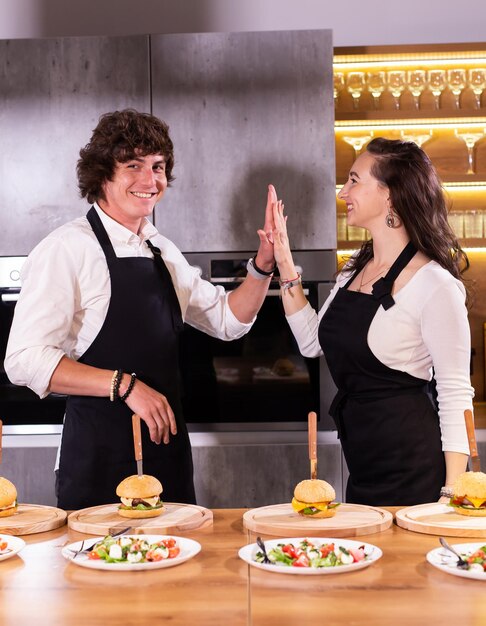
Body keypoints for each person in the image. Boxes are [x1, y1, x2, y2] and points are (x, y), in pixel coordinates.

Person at [5, 109, 280, 510]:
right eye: (133, 166)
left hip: (165, 454)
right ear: (102, 174)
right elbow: (24, 360)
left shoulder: (161, 249)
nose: (150, 181)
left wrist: (264, 264)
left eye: (158, 167)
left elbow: (227, 320)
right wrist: (126, 385)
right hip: (99, 458)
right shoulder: (66, 248)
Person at [271, 137, 474, 506]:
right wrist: (284, 263)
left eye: (353, 180)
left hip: (416, 470)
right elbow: (313, 343)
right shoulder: (354, 270)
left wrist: (450, 494)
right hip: (363, 466)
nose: (342, 191)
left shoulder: (435, 284)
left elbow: (455, 394)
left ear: (390, 195)